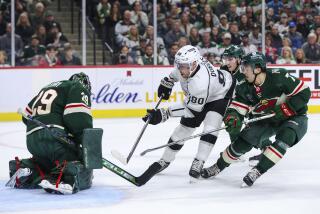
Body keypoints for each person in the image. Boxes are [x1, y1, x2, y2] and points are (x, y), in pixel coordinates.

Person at [201, 52, 310, 187]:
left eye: (246, 68)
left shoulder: (279, 76)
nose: (243, 71)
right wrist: (232, 118)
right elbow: (237, 108)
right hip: (266, 118)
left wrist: (284, 110)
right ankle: (218, 166)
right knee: (242, 142)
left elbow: (305, 93)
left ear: (257, 69)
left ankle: (258, 170)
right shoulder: (244, 86)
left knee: (286, 136)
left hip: (295, 116)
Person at [136, 45, 235, 185]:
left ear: (195, 64)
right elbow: (173, 76)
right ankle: (165, 160)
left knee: (210, 128)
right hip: (203, 95)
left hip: (221, 94)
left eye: (185, 66)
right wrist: (167, 82)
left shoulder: (200, 83)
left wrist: (164, 114)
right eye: (180, 66)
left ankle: (199, 161)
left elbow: (191, 110)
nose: (182, 70)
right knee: (183, 129)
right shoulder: (184, 66)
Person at [7, 73, 98, 194]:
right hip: (54, 139)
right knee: (78, 162)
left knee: (46, 163)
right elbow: (77, 117)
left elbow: (26, 116)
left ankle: (27, 170)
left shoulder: (48, 88)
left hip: (32, 140)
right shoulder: (78, 87)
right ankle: (63, 179)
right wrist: (83, 142)